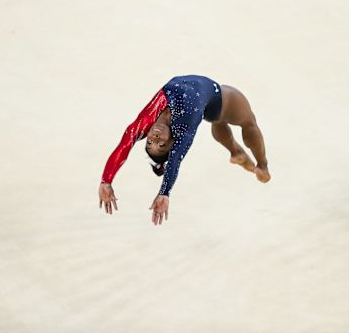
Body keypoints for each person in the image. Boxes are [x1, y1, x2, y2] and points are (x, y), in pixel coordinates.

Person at [98, 75, 270, 225]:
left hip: (209, 103)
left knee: (218, 120)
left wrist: (106, 180)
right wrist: (164, 193)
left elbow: (125, 144)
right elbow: (175, 160)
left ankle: (236, 152)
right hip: (221, 99)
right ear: (173, 142)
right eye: (161, 145)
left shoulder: (146, 122)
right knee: (248, 121)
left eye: (149, 143)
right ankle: (262, 166)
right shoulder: (183, 128)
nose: (155, 139)